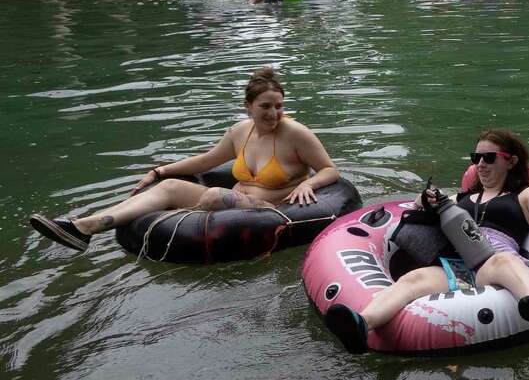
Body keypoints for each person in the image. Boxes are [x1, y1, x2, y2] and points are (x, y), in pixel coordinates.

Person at [323, 128, 529, 353]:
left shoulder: (522, 196)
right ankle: (362, 324)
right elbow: (417, 208)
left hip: (491, 260)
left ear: (510, 161)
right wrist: (425, 199)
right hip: (456, 264)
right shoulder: (461, 198)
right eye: (476, 159)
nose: (481, 165)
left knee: (503, 261)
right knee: (414, 279)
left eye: (489, 158)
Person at [28, 67, 339, 253]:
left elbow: (330, 169)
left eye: (279, 106)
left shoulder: (295, 133)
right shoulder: (240, 131)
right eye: (266, 106)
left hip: (271, 209)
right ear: (248, 106)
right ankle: (84, 227)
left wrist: (309, 182)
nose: (274, 114)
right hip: (230, 200)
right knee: (170, 187)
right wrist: (159, 170)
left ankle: (97, 226)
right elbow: (206, 161)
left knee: (214, 194)